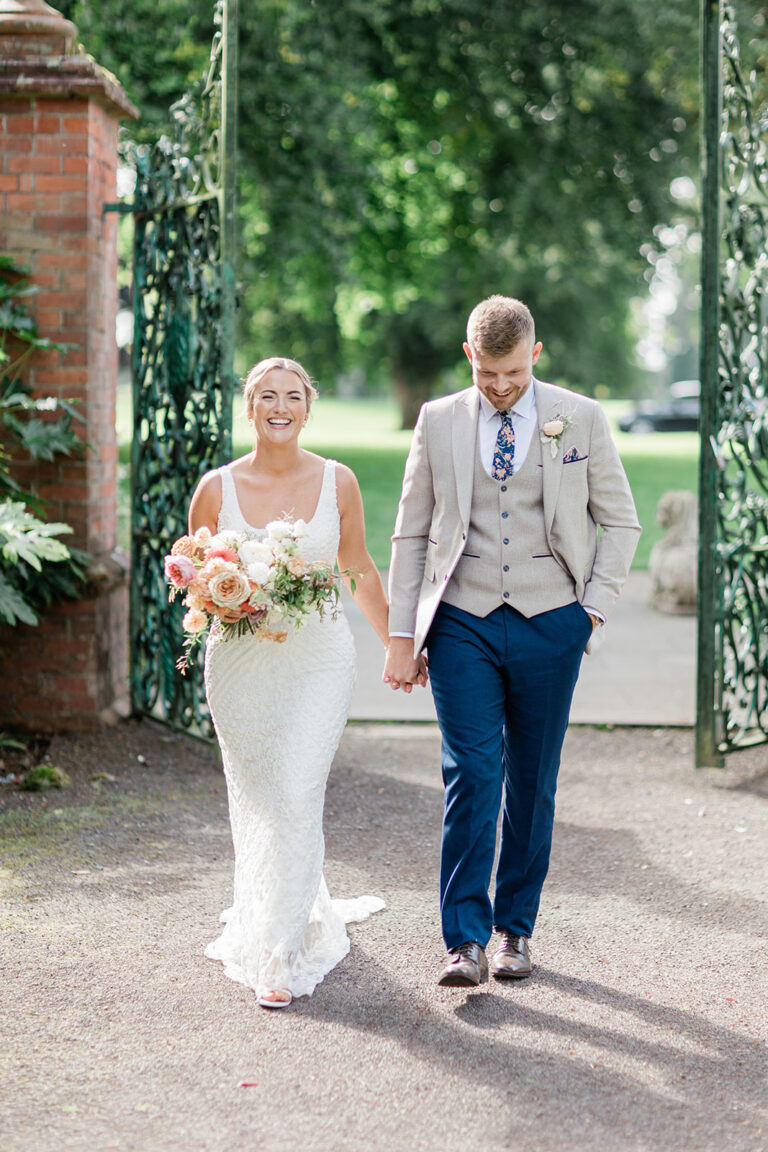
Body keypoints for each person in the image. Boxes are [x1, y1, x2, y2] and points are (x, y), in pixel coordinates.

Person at [384, 296, 640, 987]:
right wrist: (400, 635)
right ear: (471, 356)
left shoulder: (579, 416)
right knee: (472, 771)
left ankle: (514, 931)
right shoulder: (438, 421)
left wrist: (589, 612)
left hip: (551, 618)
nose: (501, 387)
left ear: (537, 354)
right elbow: (411, 532)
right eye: (489, 373)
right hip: (462, 617)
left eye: (515, 375)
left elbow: (621, 522)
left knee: (531, 779)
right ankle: (462, 939)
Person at [189, 356, 406, 1009]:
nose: (279, 407)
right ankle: (271, 908)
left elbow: (359, 566)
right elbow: (193, 578)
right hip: (241, 664)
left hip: (318, 659)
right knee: (260, 797)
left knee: (295, 789)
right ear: (249, 406)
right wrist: (220, 596)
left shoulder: (337, 482)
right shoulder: (215, 488)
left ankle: (281, 948)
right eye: (266, 396)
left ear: (307, 407)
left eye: (292, 396)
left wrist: (399, 643)